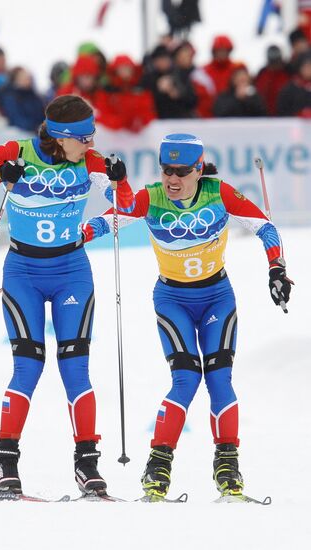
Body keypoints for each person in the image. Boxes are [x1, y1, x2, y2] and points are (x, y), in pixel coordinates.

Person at [82, 133, 293, 501]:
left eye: (181, 172)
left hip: (217, 298)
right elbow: (109, 220)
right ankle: (158, 467)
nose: (172, 180)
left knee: (220, 379)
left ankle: (228, 469)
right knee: (185, 380)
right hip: (172, 300)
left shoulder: (219, 192)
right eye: (167, 171)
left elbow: (266, 227)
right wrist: (73, 239)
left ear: (199, 170)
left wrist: (276, 268)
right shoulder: (150, 197)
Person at [0, 94, 134, 497]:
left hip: (72, 272)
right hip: (23, 274)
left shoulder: (90, 162)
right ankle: (5, 462)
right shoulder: (15, 152)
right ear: (61, 136)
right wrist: (1, 174)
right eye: (85, 137)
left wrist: (120, 181)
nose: (92, 144)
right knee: (28, 367)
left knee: (75, 369)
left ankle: (87, 465)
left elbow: (126, 207)